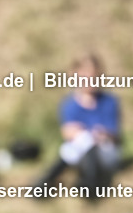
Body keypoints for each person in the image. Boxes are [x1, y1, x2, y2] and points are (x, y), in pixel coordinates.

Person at [36, 54, 122, 197]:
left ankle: (47, 181)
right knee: (82, 140)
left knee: (84, 141)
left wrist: (101, 134)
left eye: (93, 76)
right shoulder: (69, 104)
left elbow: (114, 135)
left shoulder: (109, 101)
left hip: (104, 151)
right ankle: (84, 183)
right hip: (80, 151)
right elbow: (67, 132)